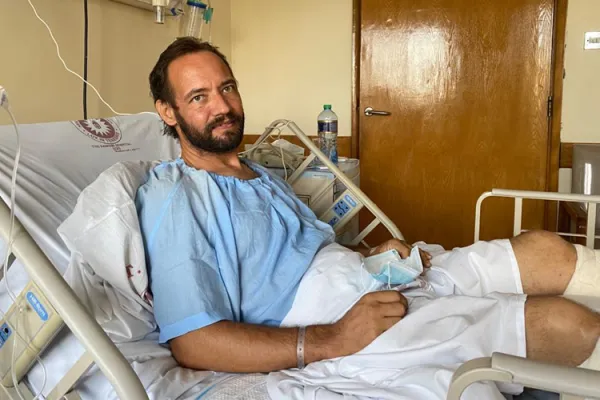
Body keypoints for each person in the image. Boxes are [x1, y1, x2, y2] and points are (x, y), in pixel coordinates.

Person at [136, 36, 600, 386]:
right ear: (168, 111)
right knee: (565, 324)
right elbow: (194, 342)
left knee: (545, 249)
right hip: (334, 320)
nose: (223, 106)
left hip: (376, 279)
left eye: (227, 88)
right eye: (199, 97)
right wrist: (333, 338)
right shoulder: (175, 195)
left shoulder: (258, 172)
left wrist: (371, 256)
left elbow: (302, 252)